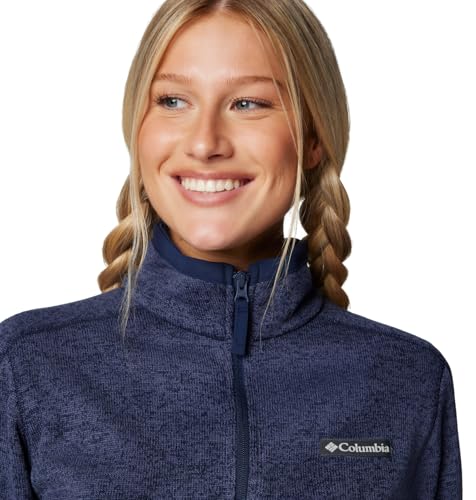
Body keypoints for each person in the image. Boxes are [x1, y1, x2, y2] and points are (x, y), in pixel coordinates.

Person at [0, 0, 463, 498]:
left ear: (313, 138)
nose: (205, 143)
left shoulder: (409, 379)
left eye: (248, 104)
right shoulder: (27, 365)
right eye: (173, 100)